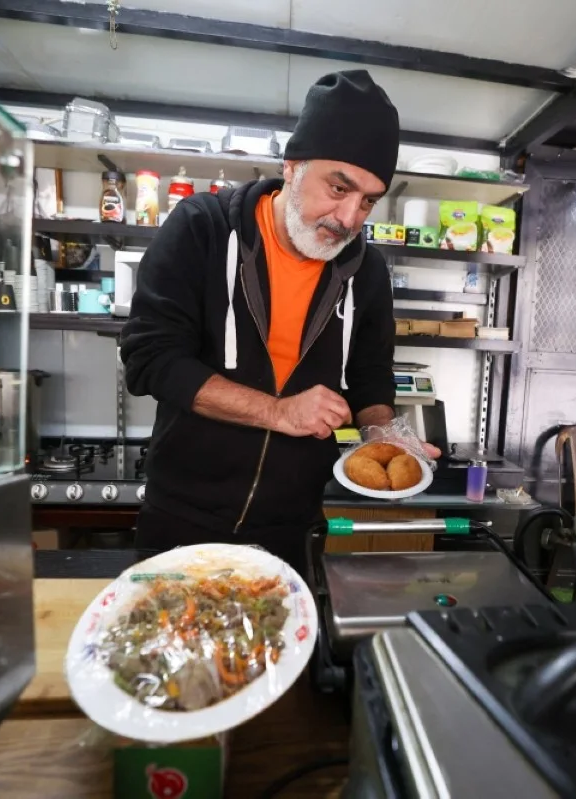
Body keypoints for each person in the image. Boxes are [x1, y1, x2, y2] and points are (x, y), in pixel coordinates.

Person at [121, 70, 433, 570]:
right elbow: (149, 360)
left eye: (369, 200)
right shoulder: (202, 229)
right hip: (182, 520)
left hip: (293, 528)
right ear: (292, 166)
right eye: (339, 187)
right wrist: (279, 412)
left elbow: (371, 376)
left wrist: (383, 433)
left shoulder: (366, 271)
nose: (349, 218)